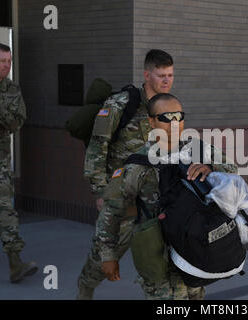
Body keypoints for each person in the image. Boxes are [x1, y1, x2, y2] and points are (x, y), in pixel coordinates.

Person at [96, 93, 237, 299]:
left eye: (179, 116)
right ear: (151, 121)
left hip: (194, 252)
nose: (175, 123)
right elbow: (112, 209)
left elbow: (233, 169)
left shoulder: (197, 149)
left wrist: (211, 168)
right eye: (166, 117)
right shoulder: (138, 164)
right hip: (159, 257)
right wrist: (108, 255)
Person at [77, 49, 174, 299]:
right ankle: (85, 289)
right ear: (146, 74)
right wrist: (100, 191)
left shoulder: (168, 107)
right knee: (103, 259)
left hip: (154, 202)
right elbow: (97, 149)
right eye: (161, 75)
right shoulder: (120, 104)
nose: (166, 81)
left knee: (159, 268)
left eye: (170, 75)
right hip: (123, 199)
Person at [0, 43, 37, 283]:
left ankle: (15, 265)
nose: (7, 65)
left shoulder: (13, 89)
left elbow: (15, 124)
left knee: (6, 213)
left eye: (9, 61)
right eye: (3, 61)